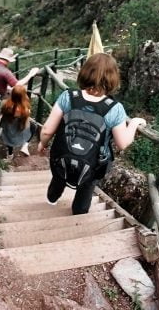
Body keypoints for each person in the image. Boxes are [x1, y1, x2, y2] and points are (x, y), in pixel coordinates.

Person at [38, 52, 146, 214]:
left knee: (59, 175)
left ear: (85, 72)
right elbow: (122, 143)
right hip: (93, 162)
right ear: (113, 78)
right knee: (87, 186)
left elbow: (47, 130)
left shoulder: (68, 96)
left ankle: (52, 198)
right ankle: (79, 213)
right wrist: (135, 123)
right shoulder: (114, 108)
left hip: (62, 155)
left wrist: (42, 144)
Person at [0, 83, 33, 156]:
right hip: (17, 127)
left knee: (9, 139)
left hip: (7, 127)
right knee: (33, 127)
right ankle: (25, 146)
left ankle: (10, 154)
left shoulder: (6, 104)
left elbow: (2, 113)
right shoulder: (23, 108)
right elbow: (25, 120)